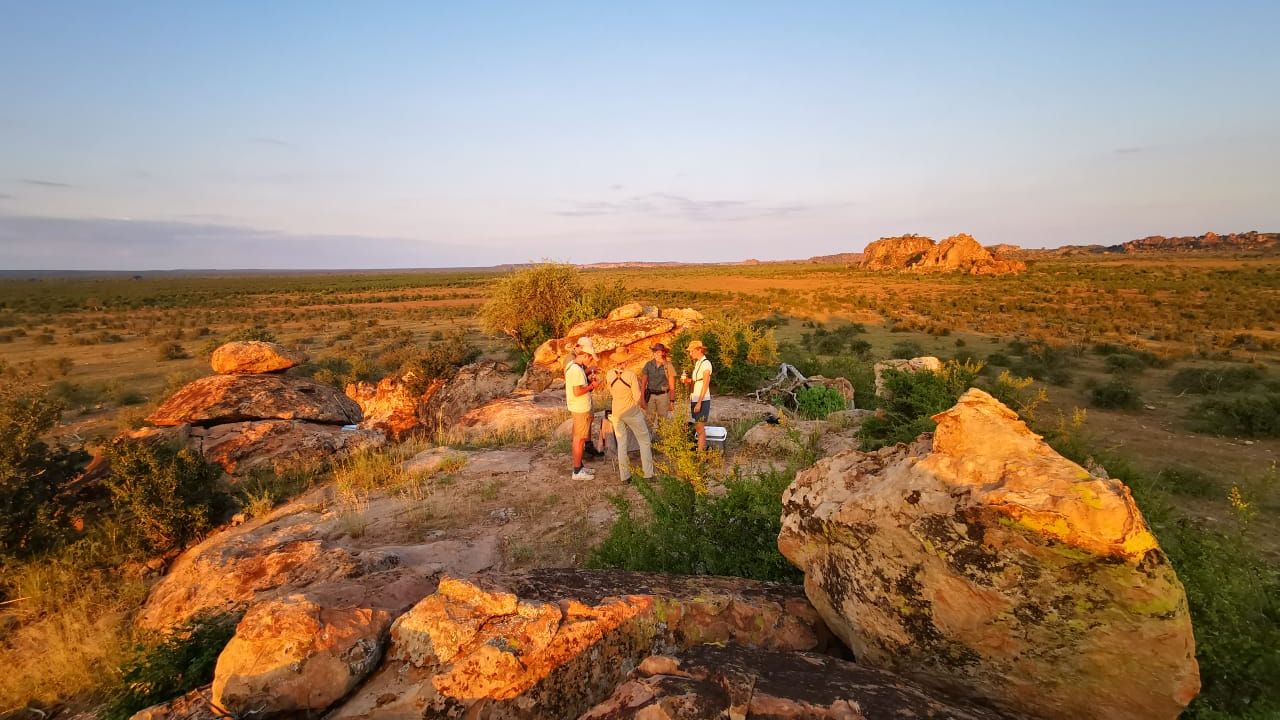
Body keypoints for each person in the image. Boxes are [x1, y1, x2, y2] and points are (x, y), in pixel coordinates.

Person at [605, 363, 654, 483]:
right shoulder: (630, 375)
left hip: (616, 411)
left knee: (622, 444)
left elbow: (611, 392)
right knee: (644, 441)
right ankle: (648, 474)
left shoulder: (609, 374)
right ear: (624, 362)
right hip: (631, 412)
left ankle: (625, 476)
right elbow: (637, 397)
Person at [565, 337, 601, 480]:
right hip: (580, 408)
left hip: (577, 407)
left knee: (578, 438)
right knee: (579, 439)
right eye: (590, 358)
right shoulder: (576, 370)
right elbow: (577, 391)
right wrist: (592, 386)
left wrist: (588, 379)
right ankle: (577, 471)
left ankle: (579, 467)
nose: (590, 361)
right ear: (585, 355)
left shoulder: (573, 366)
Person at [681, 340, 713, 451]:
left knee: (700, 427)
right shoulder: (698, 363)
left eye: (692, 351)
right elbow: (697, 381)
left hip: (702, 399)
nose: (690, 354)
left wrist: (699, 402)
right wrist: (687, 381)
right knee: (698, 426)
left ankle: (701, 454)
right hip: (695, 397)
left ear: (699, 350)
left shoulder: (706, 364)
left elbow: (705, 384)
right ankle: (701, 451)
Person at [639, 343, 677, 424]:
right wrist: (642, 399)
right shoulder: (648, 364)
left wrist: (672, 401)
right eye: (655, 351)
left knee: (662, 421)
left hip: (663, 396)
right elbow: (643, 383)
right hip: (650, 395)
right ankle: (649, 437)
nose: (656, 353)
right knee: (649, 420)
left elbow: (672, 386)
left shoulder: (668, 366)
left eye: (659, 351)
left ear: (663, 353)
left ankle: (661, 437)